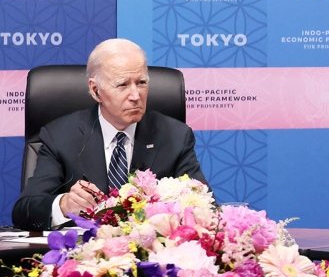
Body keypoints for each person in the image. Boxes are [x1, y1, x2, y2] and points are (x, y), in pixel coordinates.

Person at [12, 38, 208, 231]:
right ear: (95, 90)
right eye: (122, 85)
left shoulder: (175, 136)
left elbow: (206, 207)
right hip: (84, 255)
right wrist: (64, 204)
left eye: (141, 83)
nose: (135, 95)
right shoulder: (61, 136)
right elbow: (25, 210)